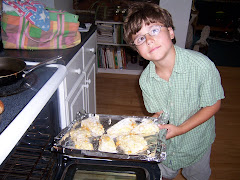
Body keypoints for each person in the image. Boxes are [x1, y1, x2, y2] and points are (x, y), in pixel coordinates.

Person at [123, 2, 225, 180]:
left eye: (154, 30)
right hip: (167, 145)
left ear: (170, 32)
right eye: (140, 38)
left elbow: (213, 104)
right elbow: (160, 112)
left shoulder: (202, 66)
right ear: (137, 49)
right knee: (161, 174)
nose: (149, 40)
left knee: (197, 176)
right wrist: (142, 128)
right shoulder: (145, 80)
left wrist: (181, 129)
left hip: (196, 143)